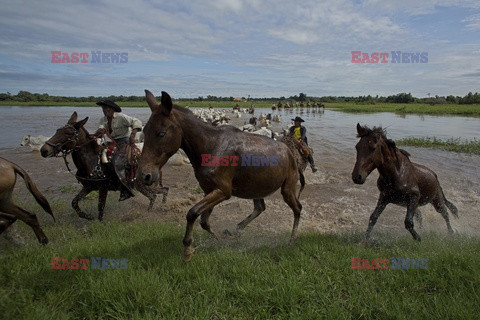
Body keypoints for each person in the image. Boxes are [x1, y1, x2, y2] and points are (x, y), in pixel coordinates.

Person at [93, 100, 142, 201]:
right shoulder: (103, 119)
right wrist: (99, 132)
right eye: (103, 109)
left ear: (112, 109)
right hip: (112, 142)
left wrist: (133, 135)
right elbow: (101, 129)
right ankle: (105, 180)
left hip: (124, 142)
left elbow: (136, 121)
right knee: (97, 157)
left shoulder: (121, 117)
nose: (104, 111)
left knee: (117, 161)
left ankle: (125, 189)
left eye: (106, 109)